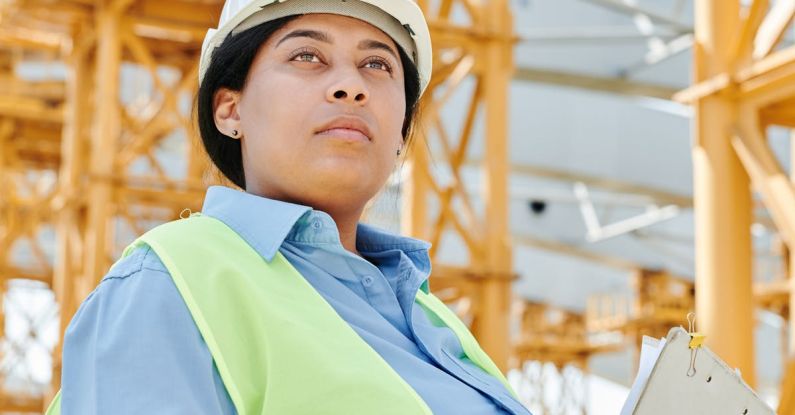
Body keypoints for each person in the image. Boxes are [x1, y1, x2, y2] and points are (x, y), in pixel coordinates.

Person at [46, 0, 532, 413]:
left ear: (402, 130)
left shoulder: (429, 317)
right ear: (230, 110)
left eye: (378, 65)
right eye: (307, 56)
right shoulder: (172, 281)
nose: (351, 86)